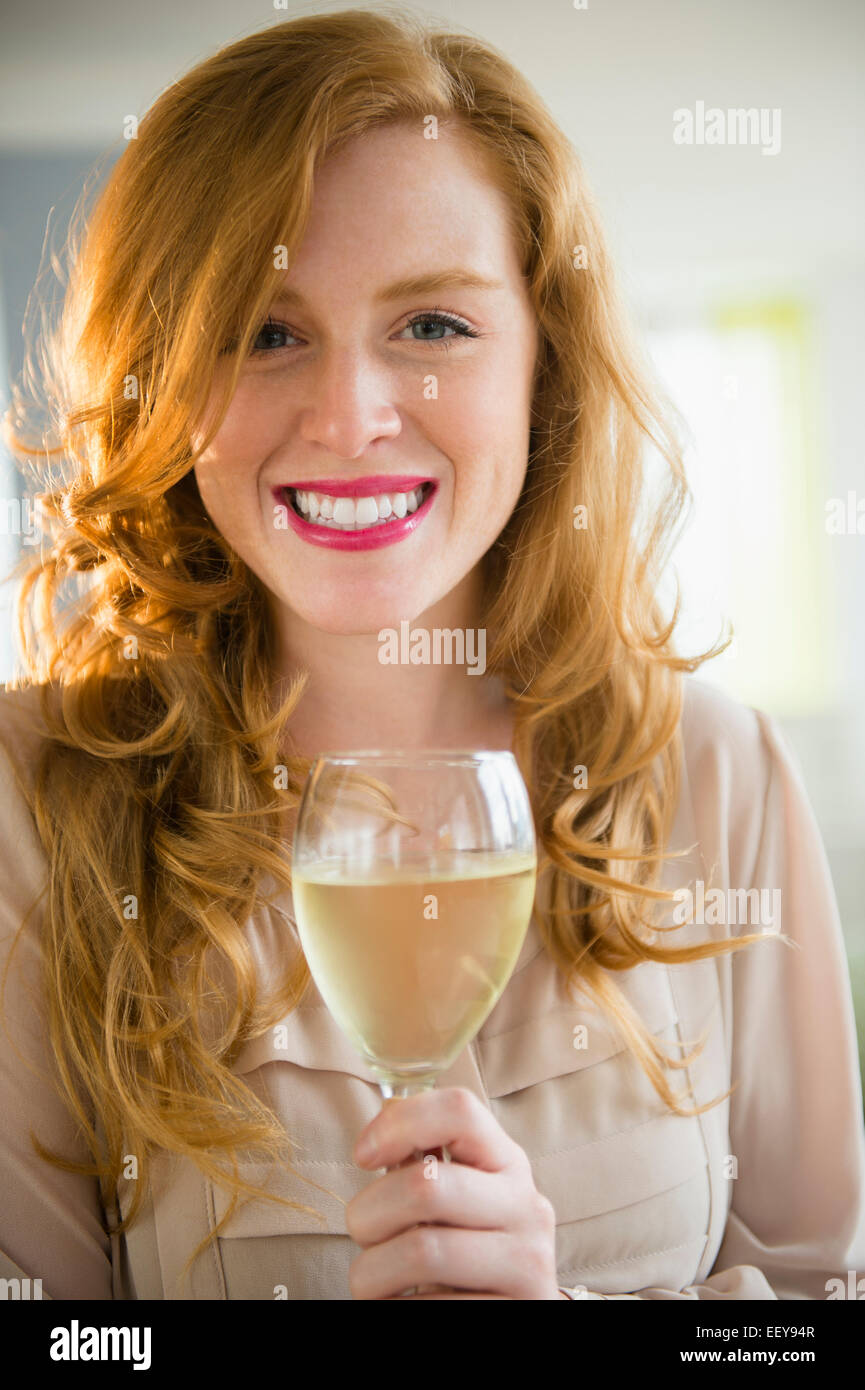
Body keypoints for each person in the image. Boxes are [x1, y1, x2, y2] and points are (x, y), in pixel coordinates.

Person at [0, 9, 862, 1301]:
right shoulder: (35, 797)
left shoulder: (711, 766)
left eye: (433, 327)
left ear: (541, 362)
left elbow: (811, 1309)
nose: (349, 416)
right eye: (263, 330)